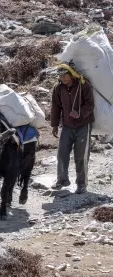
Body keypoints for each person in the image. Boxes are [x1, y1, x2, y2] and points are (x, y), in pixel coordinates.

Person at [50, 61, 95, 194]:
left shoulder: (84, 85)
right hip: (67, 126)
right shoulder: (58, 88)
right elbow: (56, 107)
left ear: (71, 74)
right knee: (62, 154)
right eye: (60, 76)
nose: (62, 78)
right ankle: (62, 180)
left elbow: (90, 104)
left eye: (64, 75)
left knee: (81, 156)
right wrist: (54, 125)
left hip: (83, 125)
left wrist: (80, 113)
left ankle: (81, 184)